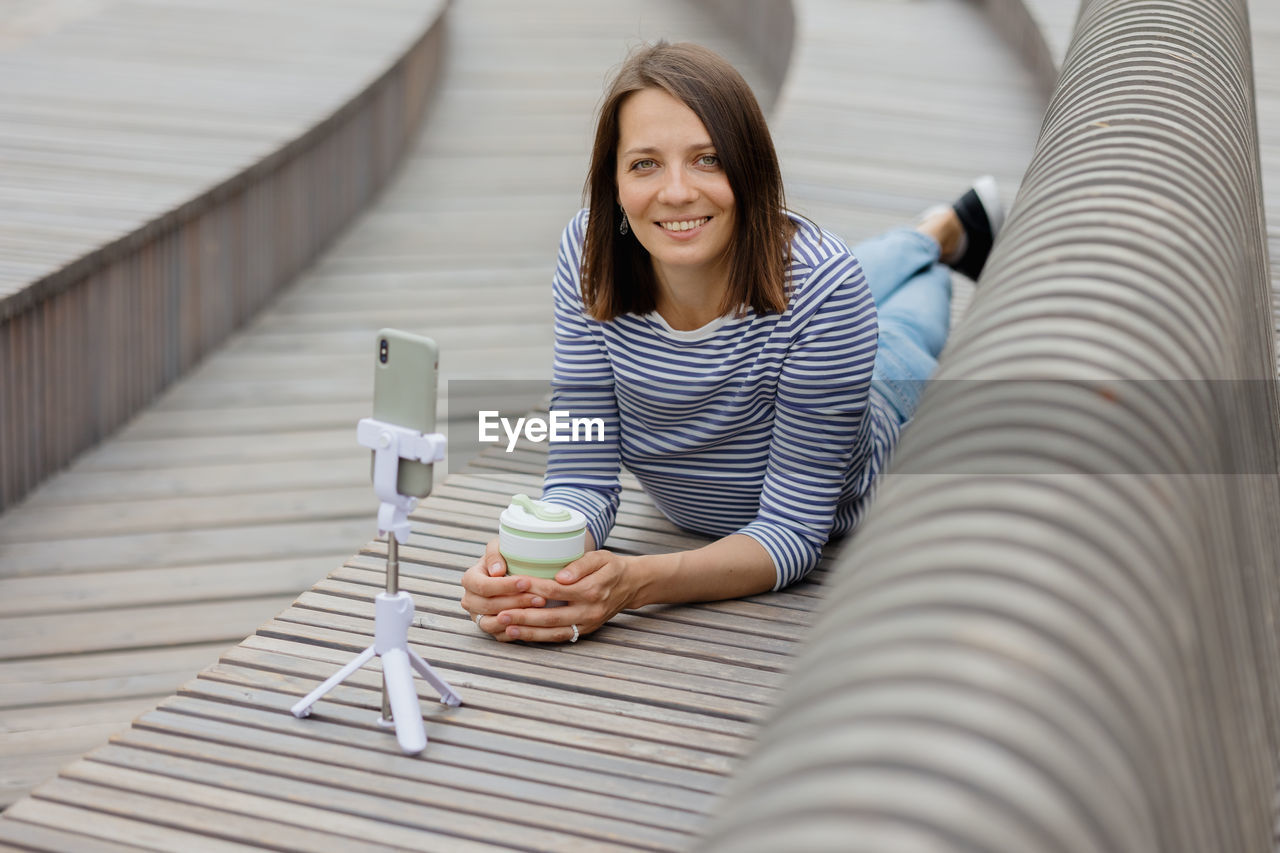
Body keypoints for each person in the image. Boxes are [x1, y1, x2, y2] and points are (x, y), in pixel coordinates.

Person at [460, 41, 1003, 643]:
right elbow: (581, 475)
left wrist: (634, 582)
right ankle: (931, 229)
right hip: (796, 294)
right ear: (612, 181)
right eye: (644, 164)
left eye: (707, 159)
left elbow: (792, 533)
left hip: (885, 396)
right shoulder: (589, 256)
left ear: (749, 169)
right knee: (839, 275)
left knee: (907, 316)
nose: (675, 192)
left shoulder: (828, 289)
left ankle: (938, 238)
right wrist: (529, 560)